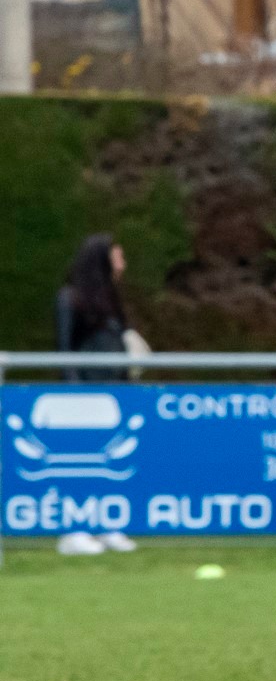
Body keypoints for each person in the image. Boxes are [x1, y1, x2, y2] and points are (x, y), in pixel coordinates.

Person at [53, 234, 138, 557]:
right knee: (78, 464)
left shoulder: (111, 300)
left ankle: (107, 526)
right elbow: (64, 350)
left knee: (107, 463)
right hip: (82, 397)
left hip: (114, 396)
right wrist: (73, 394)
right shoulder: (70, 298)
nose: (123, 263)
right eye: (119, 255)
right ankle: (73, 531)